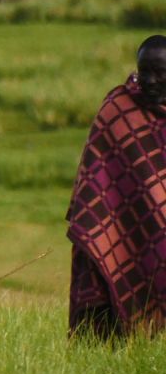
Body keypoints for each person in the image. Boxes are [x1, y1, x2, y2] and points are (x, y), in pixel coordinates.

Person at [67, 35, 166, 338]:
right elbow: (94, 179)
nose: (148, 80)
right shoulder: (118, 111)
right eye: (143, 70)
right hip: (125, 228)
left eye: (158, 72)